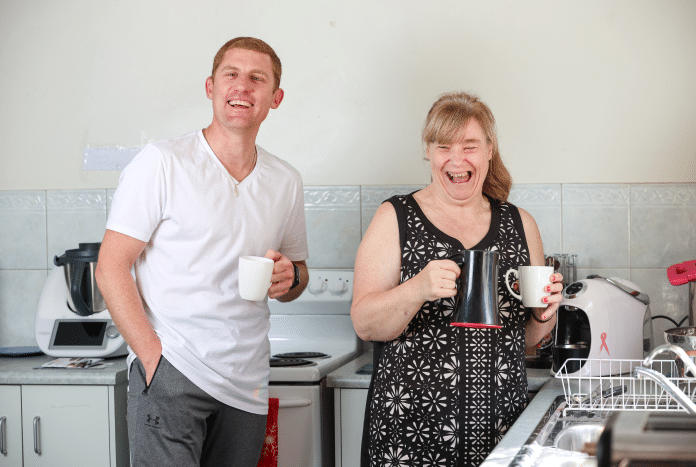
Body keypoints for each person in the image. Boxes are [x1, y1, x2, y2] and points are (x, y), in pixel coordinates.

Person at [95, 37, 309, 467]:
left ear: (276, 98)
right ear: (210, 87)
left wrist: (292, 278)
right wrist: (152, 358)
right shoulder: (162, 162)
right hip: (174, 370)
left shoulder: (285, 180)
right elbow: (111, 267)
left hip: (246, 383)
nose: (242, 86)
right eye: (231, 74)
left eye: (257, 78)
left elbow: (296, 273)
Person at [351, 92, 563, 466]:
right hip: (410, 436)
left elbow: (526, 341)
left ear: (489, 150)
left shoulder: (520, 224)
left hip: (500, 430)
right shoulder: (395, 217)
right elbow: (365, 323)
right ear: (429, 152)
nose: (457, 159)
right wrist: (417, 288)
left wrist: (545, 313)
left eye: (470, 146)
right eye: (443, 146)